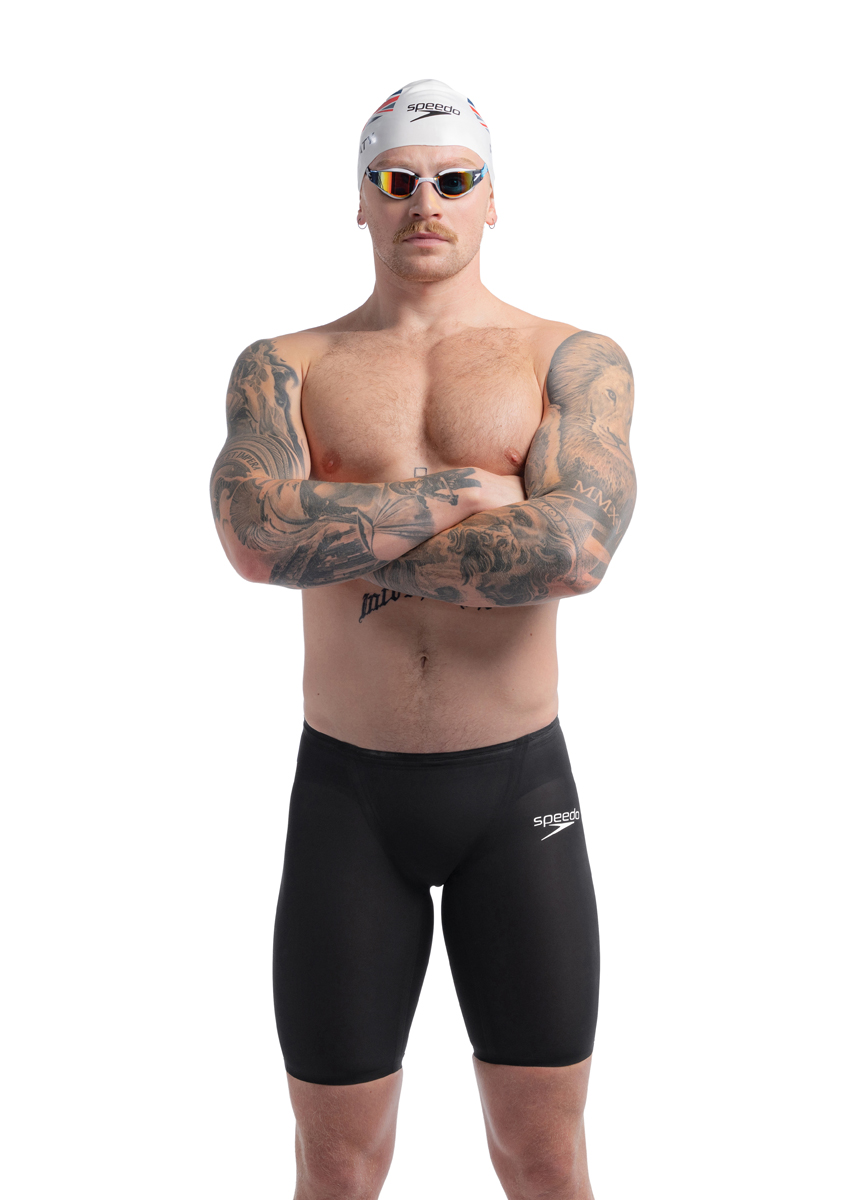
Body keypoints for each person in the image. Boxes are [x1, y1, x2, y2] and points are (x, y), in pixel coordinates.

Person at [210, 78, 636, 1200]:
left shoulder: (568, 358)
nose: (424, 202)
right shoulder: (285, 365)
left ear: (494, 197)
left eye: (454, 179)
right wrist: (475, 495)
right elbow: (253, 539)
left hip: (517, 792)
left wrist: (338, 533)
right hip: (348, 799)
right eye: (395, 179)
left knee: (541, 1158)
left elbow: (576, 551)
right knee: (337, 1165)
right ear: (360, 198)